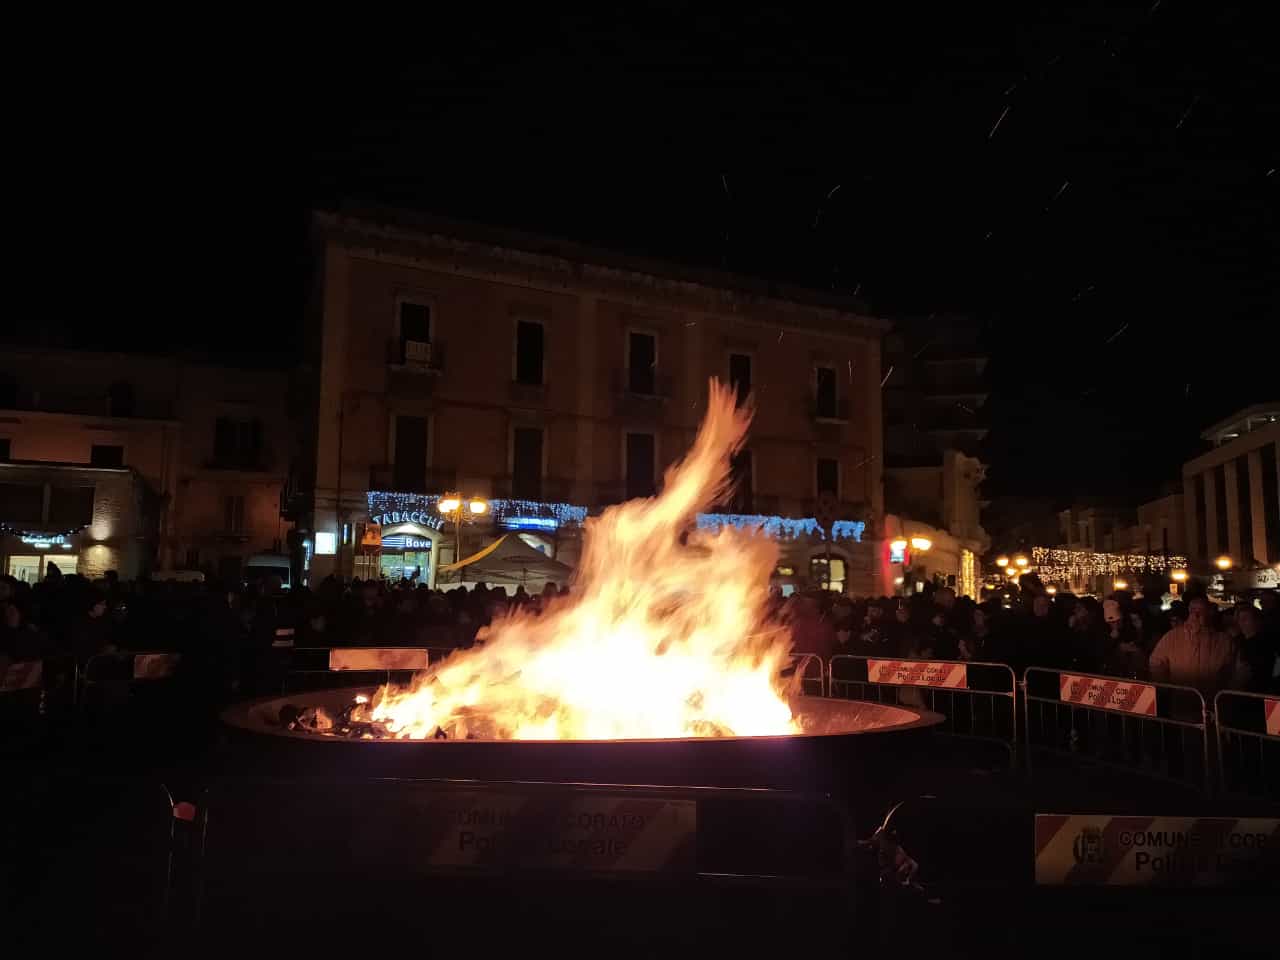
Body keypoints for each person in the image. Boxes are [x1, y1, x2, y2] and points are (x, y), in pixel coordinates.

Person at [1148, 595, 1247, 697]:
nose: (1195, 615)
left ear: (1209, 613)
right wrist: (1165, 686)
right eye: (1193, 611)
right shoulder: (1172, 637)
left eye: (1200, 611)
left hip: (1214, 700)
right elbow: (1156, 662)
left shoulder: (1224, 640)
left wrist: (1229, 692)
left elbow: (1237, 670)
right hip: (1181, 699)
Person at [1235, 603, 1279, 694]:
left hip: (1260, 691)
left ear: (1256, 621)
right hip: (1242, 691)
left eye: (1245, 619)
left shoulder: (1266, 644)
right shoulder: (1238, 641)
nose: (1241, 622)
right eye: (1240, 619)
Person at [1100, 598, 1146, 679]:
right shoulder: (1102, 632)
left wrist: (1139, 631)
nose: (1116, 624)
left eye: (1118, 621)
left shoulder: (1129, 627)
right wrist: (1111, 640)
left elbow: (1139, 644)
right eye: (1112, 622)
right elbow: (1102, 653)